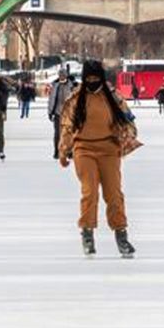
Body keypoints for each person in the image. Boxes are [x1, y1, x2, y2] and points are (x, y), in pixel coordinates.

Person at [58, 59, 137, 258]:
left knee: (114, 194)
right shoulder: (76, 99)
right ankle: (87, 232)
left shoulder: (113, 97)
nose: (92, 81)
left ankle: (121, 233)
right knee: (89, 191)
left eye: (95, 78)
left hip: (109, 149)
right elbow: (67, 127)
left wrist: (128, 136)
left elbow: (127, 119)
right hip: (84, 149)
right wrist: (64, 150)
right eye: (89, 78)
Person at [48, 70, 73, 159]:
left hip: (69, 113)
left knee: (69, 133)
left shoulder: (71, 85)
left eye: (63, 75)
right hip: (58, 113)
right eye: (60, 75)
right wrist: (50, 112)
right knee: (58, 134)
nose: (61, 77)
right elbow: (51, 99)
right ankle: (57, 151)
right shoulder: (55, 86)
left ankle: (70, 151)